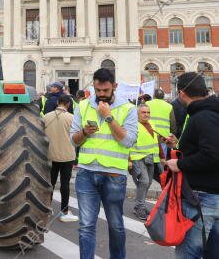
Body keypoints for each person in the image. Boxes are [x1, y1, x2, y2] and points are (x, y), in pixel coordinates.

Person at [70, 68, 138, 259]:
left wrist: (108, 117)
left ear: (114, 87)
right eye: (98, 90)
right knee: (85, 226)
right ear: (93, 85)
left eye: (105, 91)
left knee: (116, 226)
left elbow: (128, 141)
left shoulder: (128, 109)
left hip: (114, 175)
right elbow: (73, 141)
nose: (101, 95)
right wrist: (84, 132)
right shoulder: (82, 106)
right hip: (86, 173)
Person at [165, 72, 219, 259]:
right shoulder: (211, 112)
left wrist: (180, 163)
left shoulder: (203, 116)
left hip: (202, 198)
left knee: (189, 253)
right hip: (211, 195)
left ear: (181, 93)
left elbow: (212, 155)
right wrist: (179, 145)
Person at [44, 95, 78, 222]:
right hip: (67, 156)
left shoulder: (46, 117)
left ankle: (47, 208)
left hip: (50, 155)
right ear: (68, 104)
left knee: (50, 183)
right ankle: (64, 211)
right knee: (65, 184)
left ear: (57, 102)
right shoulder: (72, 118)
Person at [128, 104, 162, 220]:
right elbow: (127, 144)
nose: (146, 114)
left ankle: (139, 206)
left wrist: (162, 157)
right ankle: (140, 207)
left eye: (148, 112)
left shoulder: (152, 124)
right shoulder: (133, 126)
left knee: (148, 183)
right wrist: (129, 160)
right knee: (144, 181)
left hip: (151, 158)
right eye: (143, 112)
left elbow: (157, 142)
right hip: (137, 158)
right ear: (137, 114)